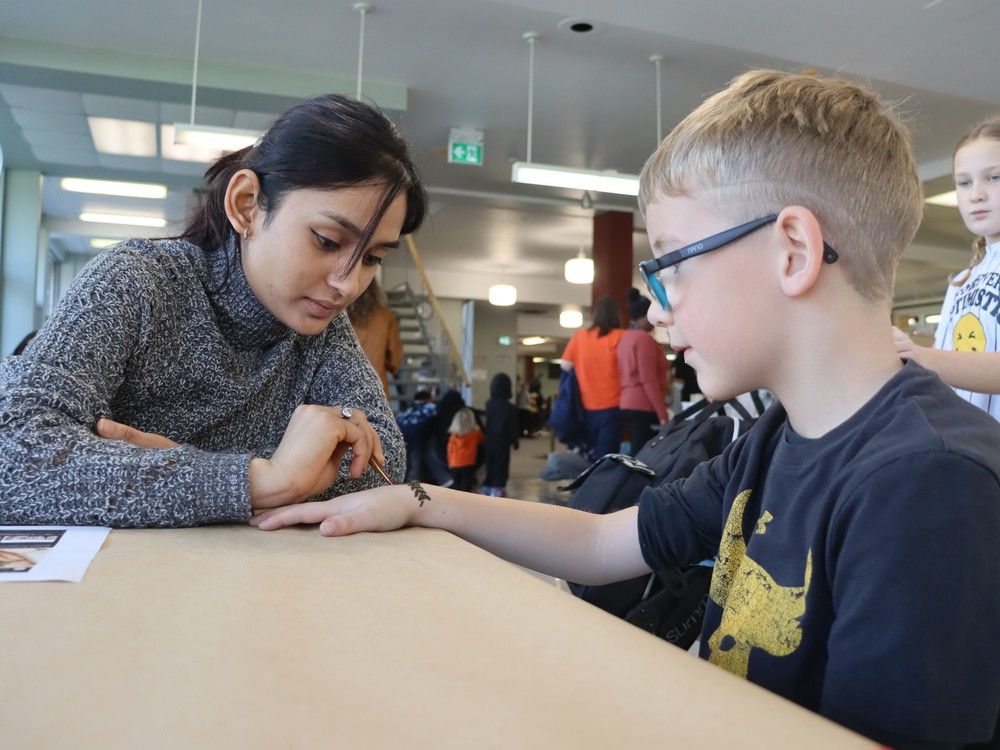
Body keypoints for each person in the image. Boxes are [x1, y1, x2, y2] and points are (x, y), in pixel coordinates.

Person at [251, 70, 1000, 747]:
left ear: (793, 253)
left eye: (670, 261)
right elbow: (606, 542)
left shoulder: (926, 483)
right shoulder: (777, 438)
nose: (654, 305)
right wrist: (417, 500)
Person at [0, 94, 427, 527]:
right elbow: (13, 456)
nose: (348, 284)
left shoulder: (322, 328)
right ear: (246, 205)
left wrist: (187, 471)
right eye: (327, 241)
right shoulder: (136, 281)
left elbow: (382, 464)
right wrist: (265, 480)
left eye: (373, 258)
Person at [893, 115, 1000, 421]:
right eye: (964, 182)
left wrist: (922, 356)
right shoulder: (962, 282)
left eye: (994, 177)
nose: (975, 193)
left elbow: (937, 362)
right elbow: (944, 373)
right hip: (973, 449)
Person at [560, 297, 625, 457]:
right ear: (616, 316)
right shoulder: (621, 336)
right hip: (614, 406)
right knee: (607, 457)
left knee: (591, 455)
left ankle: (591, 481)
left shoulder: (580, 336)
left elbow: (565, 365)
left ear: (596, 315)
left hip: (586, 406)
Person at [618, 288, 670, 453]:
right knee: (643, 455)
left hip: (626, 402)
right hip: (643, 404)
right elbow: (648, 379)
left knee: (635, 451)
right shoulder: (644, 340)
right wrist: (662, 414)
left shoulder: (625, 338)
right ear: (643, 315)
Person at [347, 279, 403, 399]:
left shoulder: (340, 315)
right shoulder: (386, 317)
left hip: (343, 386)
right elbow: (395, 361)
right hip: (376, 389)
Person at [482, 372, 518, 497]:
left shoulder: (488, 404)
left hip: (489, 440)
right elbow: (513, 426)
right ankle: (498, 488)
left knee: (490, 463)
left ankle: (487, 486)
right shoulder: (510, 407)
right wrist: (515, 442)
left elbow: (486, 424)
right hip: (503, 442)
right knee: (501, 465)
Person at [446, 407, 484, 492]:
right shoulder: (475, 434)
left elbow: (449, 451)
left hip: (454, 464)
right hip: (468, 463)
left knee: (457, 487)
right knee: (466, 487)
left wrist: (450, 463)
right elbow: (483, 439)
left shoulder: (452, 437)